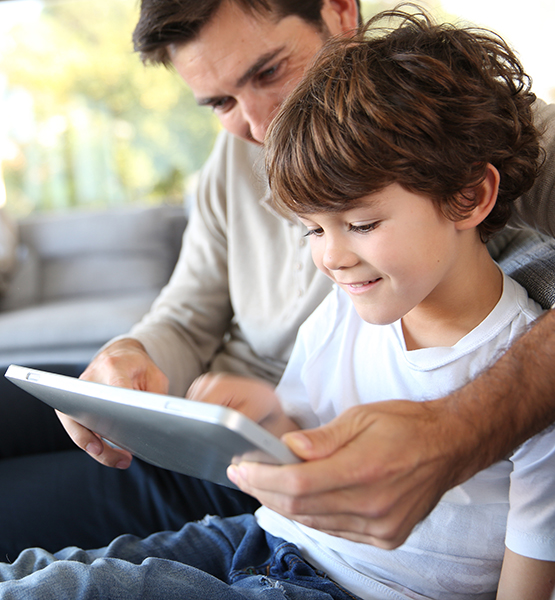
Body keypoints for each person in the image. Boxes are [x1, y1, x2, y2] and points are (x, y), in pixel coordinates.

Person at [0, 10, 553, 598]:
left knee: (68, 586)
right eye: (310, 230)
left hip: (331, 567)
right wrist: (251, 413)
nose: (331, 258)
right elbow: (206, 332)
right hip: (271, 530)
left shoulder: (450, 134)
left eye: (267, 71)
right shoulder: (335, 305)